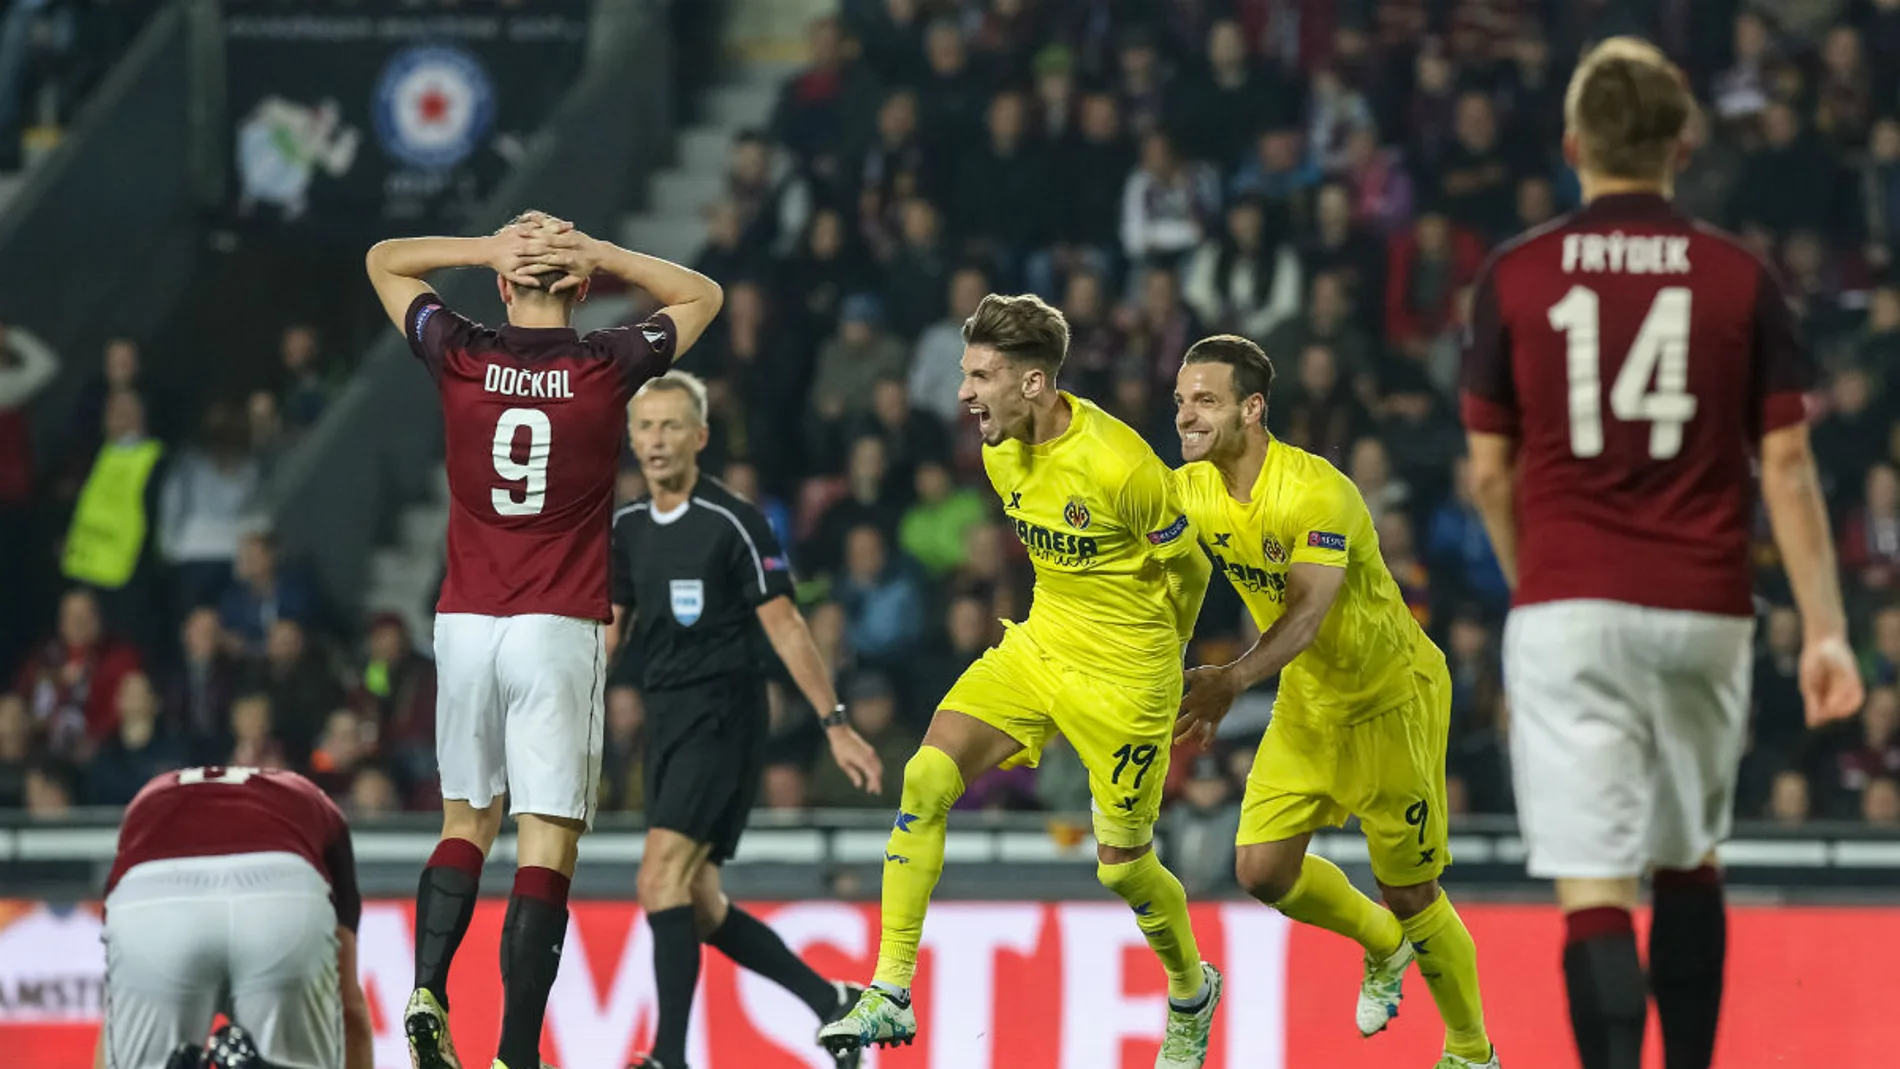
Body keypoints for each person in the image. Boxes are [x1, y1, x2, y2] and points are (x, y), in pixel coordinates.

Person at [1459, 38, 1863, 1069]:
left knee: (1595, 882)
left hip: (1568, 607)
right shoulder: (1739, 277)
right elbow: (1784, 462)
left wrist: (1534, 587)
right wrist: (1825, 629)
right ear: (1683, 145)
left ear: (1569, 144)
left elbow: (1493, 476)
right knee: (1687, 857)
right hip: (1703, 609)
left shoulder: (1514, 277)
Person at [821, 294, 1223, 1068]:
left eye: (980, 376)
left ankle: (1190, 990)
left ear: (1033, 382)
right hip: (1040, 647)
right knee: (927, 774)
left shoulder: (1122, 466)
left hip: (1127, 679)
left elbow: (1192, 566)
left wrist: (1169, 656)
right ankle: (891, 987)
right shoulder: (998, 446)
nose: (963, 392)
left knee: (1125, 867)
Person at [365, 210, 723, 1069]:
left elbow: (384, 261)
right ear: (584, 287)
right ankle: (514, 1055)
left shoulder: (460, 350)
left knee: (464, 817)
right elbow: (702, 294)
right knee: (548, 835)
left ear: (500, 285)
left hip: (462, 625)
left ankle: (427, 986)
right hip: (556, 627)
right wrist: (602, 254)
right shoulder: (606, 366)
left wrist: (483, 247)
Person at [1170, 335, 1496, 1069]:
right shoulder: (1189, 488)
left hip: (1391, 700)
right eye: (1182, 401)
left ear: (1253, 409)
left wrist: (1233, 676)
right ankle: (1380, 944)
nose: (1186, 415)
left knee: (1411, 890)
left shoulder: (1319, 492)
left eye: (1205, 400)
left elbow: (1310, 609)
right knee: (1260, 870)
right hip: (1309, 700)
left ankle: (1473, 1052)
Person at [607, 371, 883, 1069]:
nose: (658, 440)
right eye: (647, 427)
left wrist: (835, 721)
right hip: (667, 723)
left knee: (658, 879)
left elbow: (787, 626)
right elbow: (608, 631)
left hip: (724, 713)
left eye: (673, 426)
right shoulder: (627, 527)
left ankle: (670, 1056)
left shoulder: (733, 521)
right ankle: (833, 1003)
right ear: (632, 438)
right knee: (697, 904)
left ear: (700, 437)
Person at [97, 766, 371, 1069]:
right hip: (281, 895)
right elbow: (350, 1008)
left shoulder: (150, 795)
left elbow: (113, 1010)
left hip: (154, 897)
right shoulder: (313, 799)